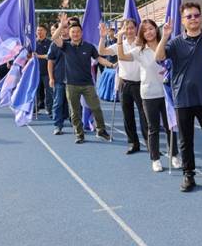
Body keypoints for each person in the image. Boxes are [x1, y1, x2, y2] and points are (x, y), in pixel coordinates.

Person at [155, 2, 202, 192]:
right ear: (183, 20)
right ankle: (189, 175)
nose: (193, 19)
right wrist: (164, 37)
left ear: (201, 17)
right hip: (182, 99)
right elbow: (159, 57)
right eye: (189, 16)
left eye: (196, 15)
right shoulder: (175, 42)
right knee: (185, 140)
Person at [100, 20, 179, 172]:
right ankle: (155, 158)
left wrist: (166, 36)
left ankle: (174, 155)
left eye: (151, 28)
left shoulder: (167, 48)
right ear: (142, 34)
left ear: (156, 30)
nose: (149, 32)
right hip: (149, 93)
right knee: (153, 127)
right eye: (145, 30)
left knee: (170, 126)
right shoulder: (139, 51)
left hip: (166, 93)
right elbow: (121, 56)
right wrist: (119, 37)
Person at [50, 14, 113, 144]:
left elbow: (99, 59)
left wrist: (111, 65)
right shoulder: (65, 46)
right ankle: (79, 134)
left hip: (88, 84)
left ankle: (101, 130)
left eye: (78, 31)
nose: (75, 34)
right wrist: (61, 25)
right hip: (71, 85)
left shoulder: (89, 47)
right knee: (75, 112)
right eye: (73, 32)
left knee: (96, 108)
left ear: (82, 33)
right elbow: (54, 37)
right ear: (70, 33)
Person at [114, 19, 149, 154]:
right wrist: (102, 37)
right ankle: (133, 143)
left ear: (136, 29)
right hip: (125, 84)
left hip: (140, 83)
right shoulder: (119, 44)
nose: (129, 31)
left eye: (131, 28)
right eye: (126, 28)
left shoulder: (141, 44)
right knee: (127, 115)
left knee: (144, 115)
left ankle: (149, 142)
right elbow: (102, 51)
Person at [47, 23, 70, 136]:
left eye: (66, 27)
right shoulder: (54, 44)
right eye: (62, 28)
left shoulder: (75, 42)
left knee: (74, 104)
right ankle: (57, 125)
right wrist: (51, 78)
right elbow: (50, 62)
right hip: (59, 79)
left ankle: (76, 125)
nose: (64, 30)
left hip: (73, 80)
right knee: (58, 103)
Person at [34, 25, 53, 116]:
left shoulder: (50, 43)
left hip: (47, 72)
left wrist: (38, 56)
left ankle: (49, 109)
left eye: (41, 30)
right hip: (35, 72)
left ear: (46, 31)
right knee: (36, 91)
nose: (39, 32)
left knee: (49, 91)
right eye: (38, 30)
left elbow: (50, 56)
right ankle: (35, 108)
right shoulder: (33, 43)